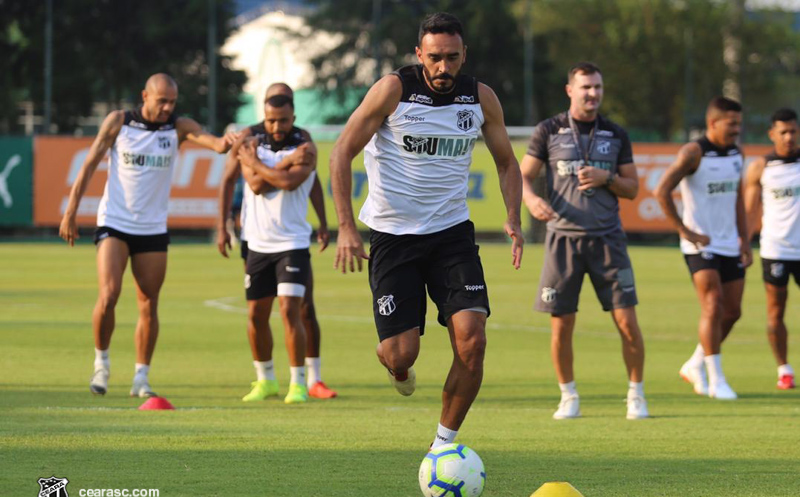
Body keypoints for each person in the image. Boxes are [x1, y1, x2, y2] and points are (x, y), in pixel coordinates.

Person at [330, 13, 523, 449]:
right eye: (434, 58)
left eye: (452, 58)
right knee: (401, 355)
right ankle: (398, 368)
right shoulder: (393, 90)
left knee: (472, 341)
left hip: (452, 235)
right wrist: (346, 226)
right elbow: (341, 152)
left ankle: (444, 444)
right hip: (394, 238)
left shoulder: (480, 97)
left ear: (463, 55)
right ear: (419, 54)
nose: (443, 67)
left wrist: (513, 216)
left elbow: (508, 162)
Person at [59, 73, 238, 397]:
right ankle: (102, 364)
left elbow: (215, 144)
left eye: (172, 102)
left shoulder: (178, 127)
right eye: (162, 101)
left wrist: (231, 139)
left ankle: (141, 377)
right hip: (115, 221)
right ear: (145, 96)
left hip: (153, 228)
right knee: (110, 294)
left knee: (148, 303)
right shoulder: (119, 122)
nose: (168, 107)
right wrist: (71, 211)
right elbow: (88, 164)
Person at [521, 62, 648, 420]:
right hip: (562, 242)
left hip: (609, 240)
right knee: (561, 325)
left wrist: (605, 177)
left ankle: (636, 395)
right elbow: (523, 177)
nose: (593, 94)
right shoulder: (548, 130)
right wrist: (531, 200)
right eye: (586, 88)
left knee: (627, 323)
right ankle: (568, 396)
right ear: (570, 90)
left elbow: (633, 189)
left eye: (598, 87)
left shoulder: (616, 133)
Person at [218, 83, 336, 401]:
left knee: (291, 310)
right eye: (271, 120)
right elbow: (254, 185)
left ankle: (300, 382)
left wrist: (323, 221)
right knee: (256, 314)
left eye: (283, 120)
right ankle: (266, 380)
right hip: (256, 243)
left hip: (293, 242)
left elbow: (288, 182)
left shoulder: (306, 146)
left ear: (293, 115)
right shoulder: (250, 141)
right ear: (264, 117)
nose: (277, 126)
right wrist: (277, 164)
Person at [655, 96, 752, 400]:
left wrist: (744, 238)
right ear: (713, 123)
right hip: (700, 245)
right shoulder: (693, 153)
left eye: (739, 123)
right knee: (713, 304)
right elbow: (661, 191)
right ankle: (717, 378)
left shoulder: (737, 152)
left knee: (733, 311)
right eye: (731, 123)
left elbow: (736, 197)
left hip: (728, 242)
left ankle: (696, 363)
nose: (737, 129)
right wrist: (685, 231)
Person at [744, 107, 800, 390]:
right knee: (775, 312)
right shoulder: (761, 167)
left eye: (793, 131)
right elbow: (750, 210)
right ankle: (784, 369)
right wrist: (744, 244)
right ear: (772, 134)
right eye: (783, 132)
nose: (789, 137)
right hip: (776, 250)